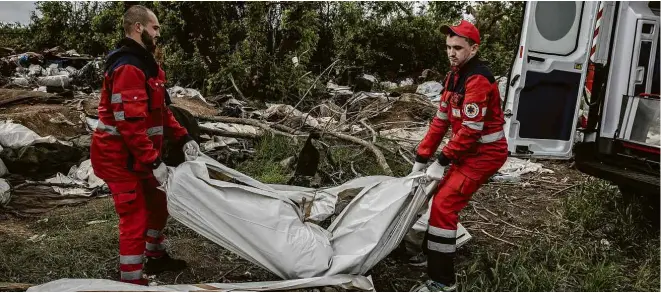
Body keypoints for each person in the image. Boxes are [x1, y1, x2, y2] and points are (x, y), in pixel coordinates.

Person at [90, 5, 201, 285]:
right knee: (135, 215)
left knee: (159, 203)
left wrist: (183, 137)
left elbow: (161, 113)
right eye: (155, 28)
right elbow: (129, 125)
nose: (159, 33)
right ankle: (131, 280)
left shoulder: (148, 66)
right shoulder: (128, 67)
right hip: (118, 158)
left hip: (140, 156)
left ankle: (155, 254)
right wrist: (154, 162)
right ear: (138, 28)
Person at [410, 20, 508, 292]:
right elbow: (440, 120)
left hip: (484, 154)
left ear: (473, 49)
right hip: (467, 152)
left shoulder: (477, 79)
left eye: (458, 47)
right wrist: (422, 157)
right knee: (434, 195)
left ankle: (442, 282)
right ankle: (432, 255)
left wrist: (441, 161)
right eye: (448, 47)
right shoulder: (454, 76)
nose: (451, 53)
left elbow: (470, 130)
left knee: (444, 204)